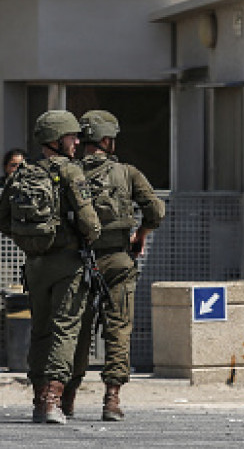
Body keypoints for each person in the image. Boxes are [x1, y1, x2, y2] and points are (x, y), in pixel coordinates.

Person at [0, 110, 100, 424]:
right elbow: (91, 224)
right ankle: (54, 400)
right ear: (57, 139)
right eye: (72, 136)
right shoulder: (71, 171)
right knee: (65, 330)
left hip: (35, 265)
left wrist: (32, 242)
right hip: (67, 263)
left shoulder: (22, 173)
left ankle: (40, 400)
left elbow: (2, 222)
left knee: (39, 330)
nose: (77, 142)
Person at [62, 109, 165, 422]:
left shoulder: (69, 171)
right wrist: (141, 234)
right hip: (118, 259)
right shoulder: (127, 173)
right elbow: (156, 211)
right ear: (107, 140)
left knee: (76, 329)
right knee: (118, 328)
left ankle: (67, 397)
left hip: (78, 260)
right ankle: (112, 398)